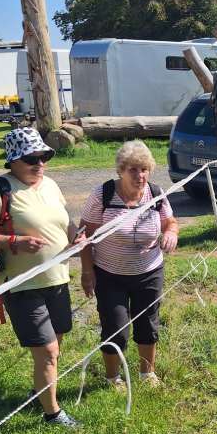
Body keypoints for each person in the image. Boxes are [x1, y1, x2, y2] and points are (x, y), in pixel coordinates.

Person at [0, 127, 82, 428]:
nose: (39, 164)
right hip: (22, 286)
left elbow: (66, 224)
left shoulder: (51, 185)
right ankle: (52, 414)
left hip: (57, 279)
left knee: (54, 345)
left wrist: (76, 239)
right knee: (49, 351)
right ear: (13, 160)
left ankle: (40, 390)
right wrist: (13, 242)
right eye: (31, 158)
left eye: (44, 157)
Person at [78, 140, 178, 389]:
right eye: (133, 169)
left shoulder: (156, 193)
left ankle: (147, 374)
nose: (139, 175)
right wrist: (87, 271)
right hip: (110, 274)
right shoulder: (102, 195)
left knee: (148, 323)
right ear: (120, 170)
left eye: (144, 169)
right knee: (116, 327)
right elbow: (85, 236)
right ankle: (113, 378)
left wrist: (171, 234)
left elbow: (170, 222)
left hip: (149, 272)